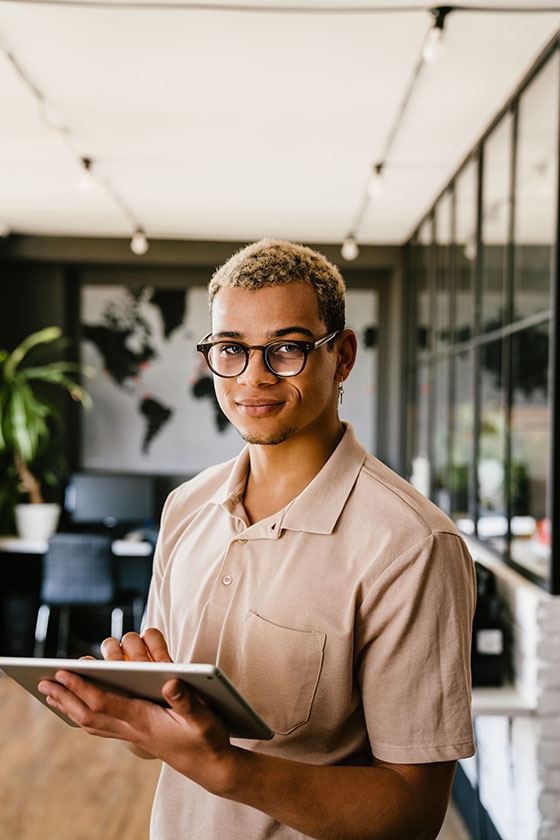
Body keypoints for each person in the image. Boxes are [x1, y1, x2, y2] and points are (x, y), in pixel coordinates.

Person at [39, 239, 476, 840]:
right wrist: (137, 713)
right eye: (231, 349)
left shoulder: (412, 543)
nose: (254, 376)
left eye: (286, 349)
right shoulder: (187, 506)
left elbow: (413, 813)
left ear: (342, 355)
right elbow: (163, 741)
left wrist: (224, 766)